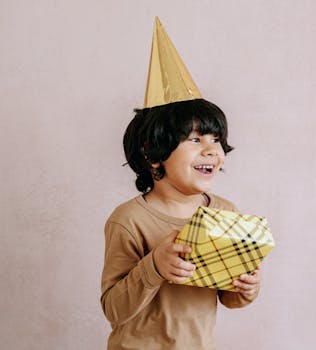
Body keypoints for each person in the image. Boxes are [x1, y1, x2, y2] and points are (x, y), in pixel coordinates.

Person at [100, 18, 261, 350]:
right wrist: (155, 266)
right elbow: (114, 310)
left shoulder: (225, 213)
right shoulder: (129, 221)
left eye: (216, 140)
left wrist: (246, 288)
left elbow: (227, 298)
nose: (210, 149)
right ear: (154, 154)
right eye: (194, 138)